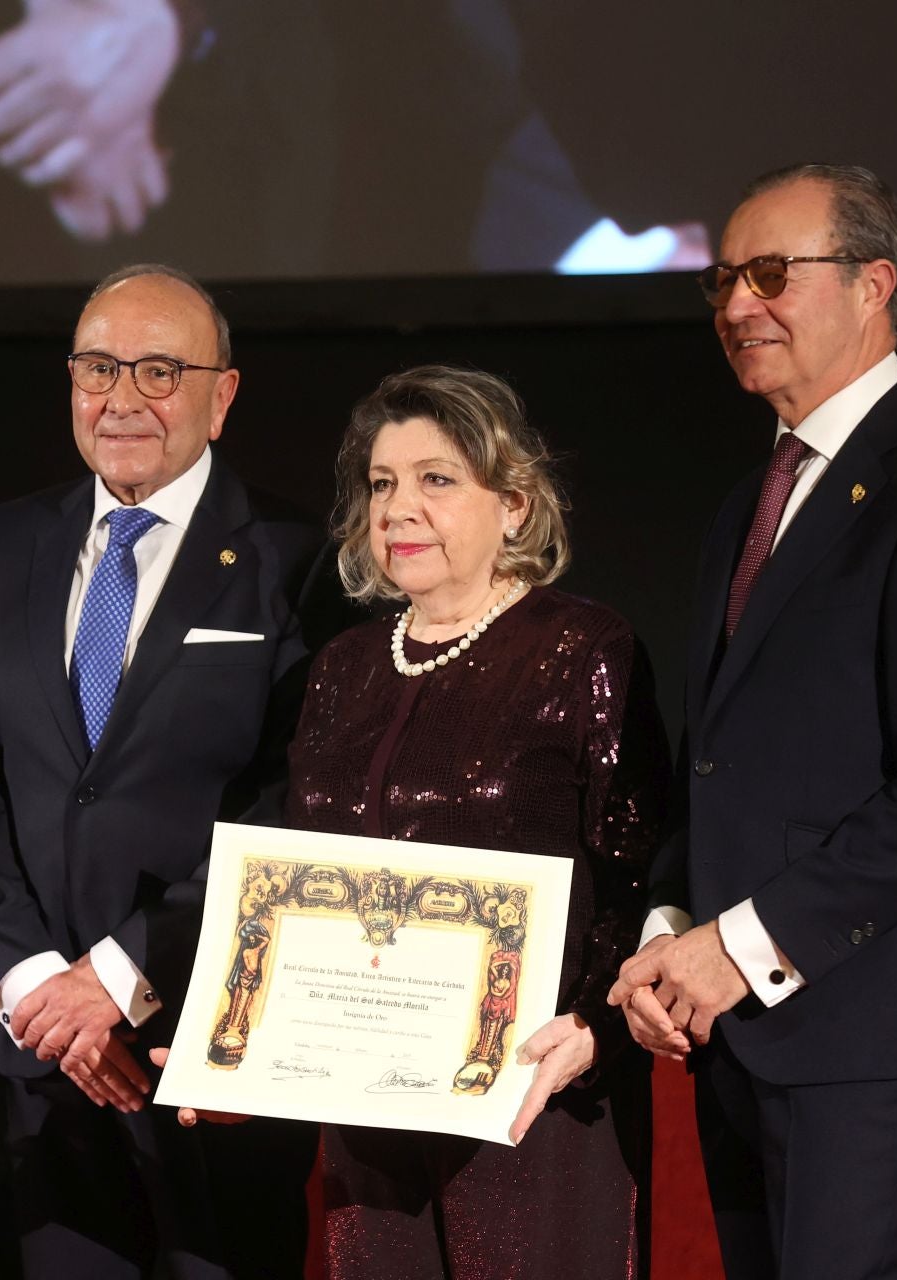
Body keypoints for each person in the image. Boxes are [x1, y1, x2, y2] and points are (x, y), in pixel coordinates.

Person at [607, 163, 897, 1279]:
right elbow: (717, 759)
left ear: (873, 284)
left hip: (869, 1034)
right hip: (741, 1029)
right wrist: (668, 928)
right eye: (722, 280)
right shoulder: (750, 501)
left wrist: (739, 948)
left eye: (770, 273)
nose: (736, 305)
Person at [0, 263, 331, 1277]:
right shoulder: (4, 543)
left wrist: (121, 973)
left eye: (160, 370)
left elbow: (293, 804)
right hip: (38, 1059)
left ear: (224, 392)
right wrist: (36, 983)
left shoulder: (299, 560)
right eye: (98, 367)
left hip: (207, 1048)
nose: (121, 398)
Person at [280, 364, 669, 1278]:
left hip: (534, 1097)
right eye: (381, 485)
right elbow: (296, 876)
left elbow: (636, 865)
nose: (398, 508)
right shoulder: (341, 668)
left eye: (437, 479)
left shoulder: (583, 647)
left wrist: (592, 1028)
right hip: (365, 1104)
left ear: (516, 508)